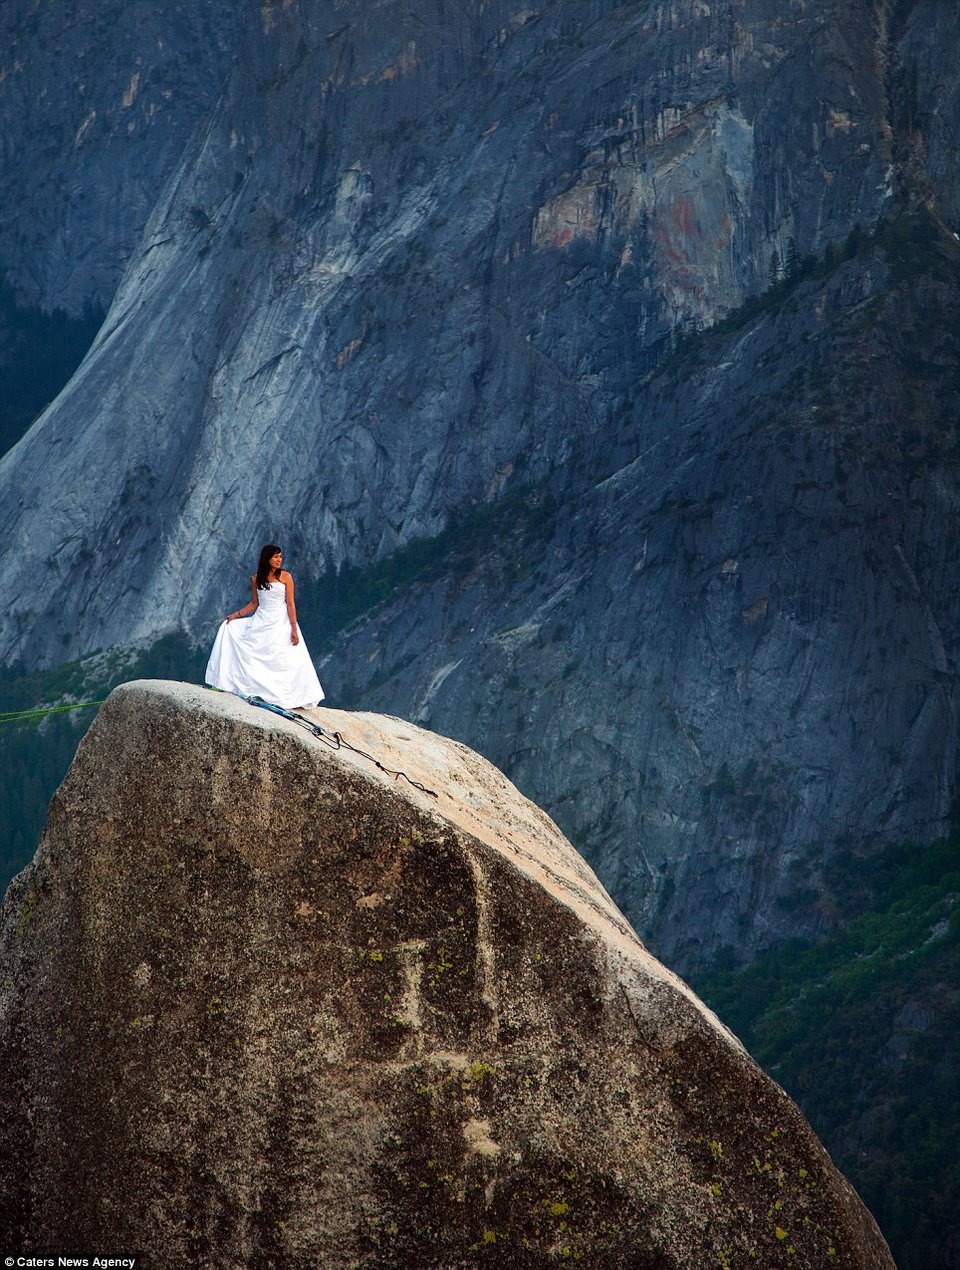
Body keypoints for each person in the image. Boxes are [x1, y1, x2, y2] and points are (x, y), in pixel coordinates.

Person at [205, 543, 325, 709]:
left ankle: (288, 698)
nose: (279, 559)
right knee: (246, 645)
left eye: (280, 556)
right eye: (276, 556)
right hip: (262, 619)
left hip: (280, 621)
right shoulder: (256, 578)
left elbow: (290, 604)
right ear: (267, 558)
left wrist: (293, 628)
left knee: (283, 659)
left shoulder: (286, 577)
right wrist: (235, 615)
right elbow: (254, 603)